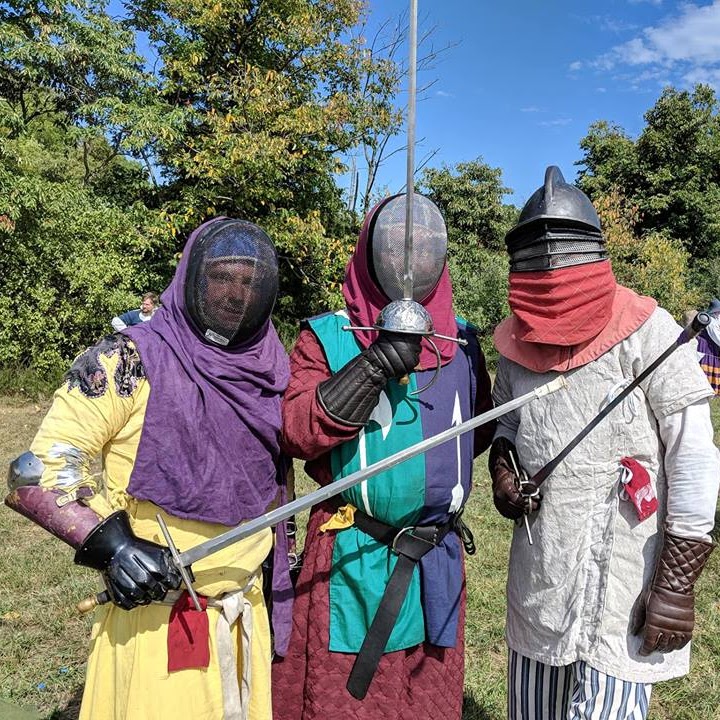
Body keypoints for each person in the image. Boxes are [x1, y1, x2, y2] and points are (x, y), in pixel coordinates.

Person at [6, 217, 293, 720]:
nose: (236, 295)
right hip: (159, 616)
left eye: (250, 282)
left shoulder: (270, 369)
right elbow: (39, 469)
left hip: (243, 613)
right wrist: (116, 548)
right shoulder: (129, 359)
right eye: (222, 277)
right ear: (193, 278)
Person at [488, 166, 720, 720]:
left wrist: (677, 583)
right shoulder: (514, 343)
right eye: (537, 255)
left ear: (590, 251)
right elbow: (506, 427)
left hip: (626, 572)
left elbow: (692, 455)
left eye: (561, 252)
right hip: (542, 566)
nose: (550, 265)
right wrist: (502, 473)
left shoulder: (651, 332)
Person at [272, 192, 495, 719]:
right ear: (371, 252)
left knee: (426, 696)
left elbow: (475, 431)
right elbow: (297, 432)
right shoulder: (327, 337)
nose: (407, 262)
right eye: (395, 246)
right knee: (351, 702)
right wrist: (371, 367)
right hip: (355, 553)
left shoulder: (461, 343)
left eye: (420, 249)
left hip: (435, 559)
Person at [696, 298, 720, 394]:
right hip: (706, 348)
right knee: (706, 365)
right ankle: (705, 390)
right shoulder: (710, 322)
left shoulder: (716, 320)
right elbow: (717, 338)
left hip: (712, 348)